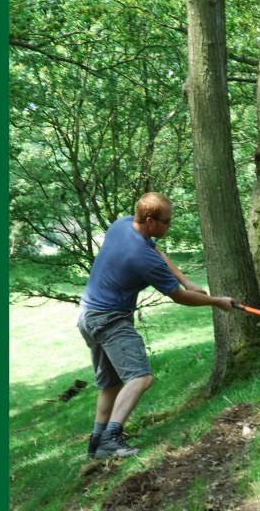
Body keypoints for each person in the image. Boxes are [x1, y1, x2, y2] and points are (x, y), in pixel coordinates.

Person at [77, 192, 234, 459]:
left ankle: (96, 444)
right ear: (150, 220)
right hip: (109, 319)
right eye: (166, 222)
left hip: (87, 314)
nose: (169, 226)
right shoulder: (140, 257)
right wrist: (217, 302)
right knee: (140, 377)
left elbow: (155, 250)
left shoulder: (123, 224)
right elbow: (179, 297)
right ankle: (110, 440)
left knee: (111, 384)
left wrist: (186, 280)